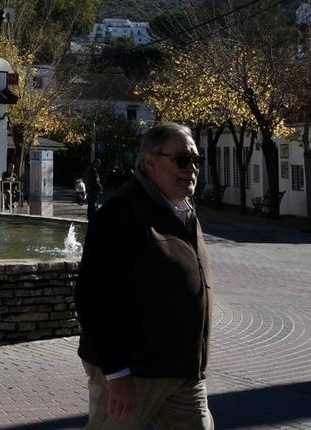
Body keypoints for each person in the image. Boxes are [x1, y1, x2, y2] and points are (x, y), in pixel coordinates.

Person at [73, 122, 213, 430]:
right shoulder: (120, 212)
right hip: (133, 374)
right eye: (182, 159)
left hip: (184, 373)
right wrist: (116, 372)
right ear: (150, 162)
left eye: (197, 160)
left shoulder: (185, 210)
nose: (192, 168)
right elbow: (91, 296)